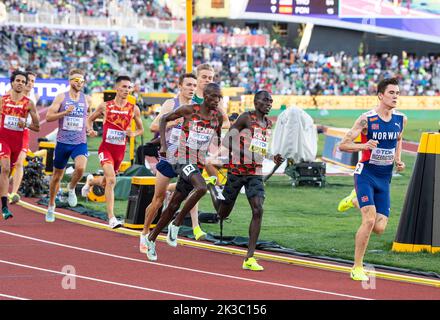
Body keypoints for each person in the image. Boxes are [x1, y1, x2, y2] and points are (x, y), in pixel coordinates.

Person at [144, 83, 223, 261]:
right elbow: (164, 119)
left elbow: (214, 138)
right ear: (205, 96)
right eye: (213, 97)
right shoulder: (189, 110)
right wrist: (163, 145)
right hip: (181, 158)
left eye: (219, 98)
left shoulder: (216, 117)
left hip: (197, 162)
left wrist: (214, 156)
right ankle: (177, 223)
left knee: (173, 204)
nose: (216, 101)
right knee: (202, 188)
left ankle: (151, 239)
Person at [339, 78, 406, 281]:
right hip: (366, 174)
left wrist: (398, 159)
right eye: (391, 93)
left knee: (379, 228)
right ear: (380, 95)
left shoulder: (401, 119)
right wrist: (364, 146)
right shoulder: (366, 119)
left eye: (397, 93)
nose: (395, 96)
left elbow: (399, 139)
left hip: (384, 178)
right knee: (368, 220)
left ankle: (353, 200)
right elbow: (343, 145)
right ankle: (357, 267)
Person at [207, 90, 283, 271]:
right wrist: (246, 153)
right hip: (236, 171)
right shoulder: (245, 118)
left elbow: (259, 149)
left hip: (254, 173)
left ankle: (249, 257)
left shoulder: (267, 124)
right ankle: (212, 187)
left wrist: (272, 158)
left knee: (258, 210)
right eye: (265, 100)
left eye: (271, 101)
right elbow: (226, 141)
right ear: (256, 102)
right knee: (222, 214)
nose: (269, 103)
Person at [139, 73, 207, 254]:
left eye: (194, 85)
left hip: (186, 157)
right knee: (158, 199)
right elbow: (154, 126)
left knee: (194, 189)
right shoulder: (171, 104)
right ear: (180, 86)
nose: (192, 88)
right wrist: (173, 123)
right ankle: (145, 232)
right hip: (168, 157)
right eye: (188, 85)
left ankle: (193, 226)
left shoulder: (196, 107)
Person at [86, 75, 144, 229]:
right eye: (124, 87)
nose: (127, 90)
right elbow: (89, 119)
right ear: (117, 88)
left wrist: (133, 134)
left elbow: (141, 129)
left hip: (120, 152)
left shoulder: (134, 109)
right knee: (112, 180)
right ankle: (111, 218)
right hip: (106, 149)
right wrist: (90, 129)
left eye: (129, 87)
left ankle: (91, 181)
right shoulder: (105, 106)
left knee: (106, 182)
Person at [0, 70, 40, 219]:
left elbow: (37, 127)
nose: (21, 83)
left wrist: (26, 123)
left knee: (14, 166)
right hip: (3, 140)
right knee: (4, 169)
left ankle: (11, 192)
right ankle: (4, 207)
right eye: (18, 81)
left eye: (23, 82)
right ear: (12, 82)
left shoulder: (29, 103)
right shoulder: (3, 100)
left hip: (19, 140)